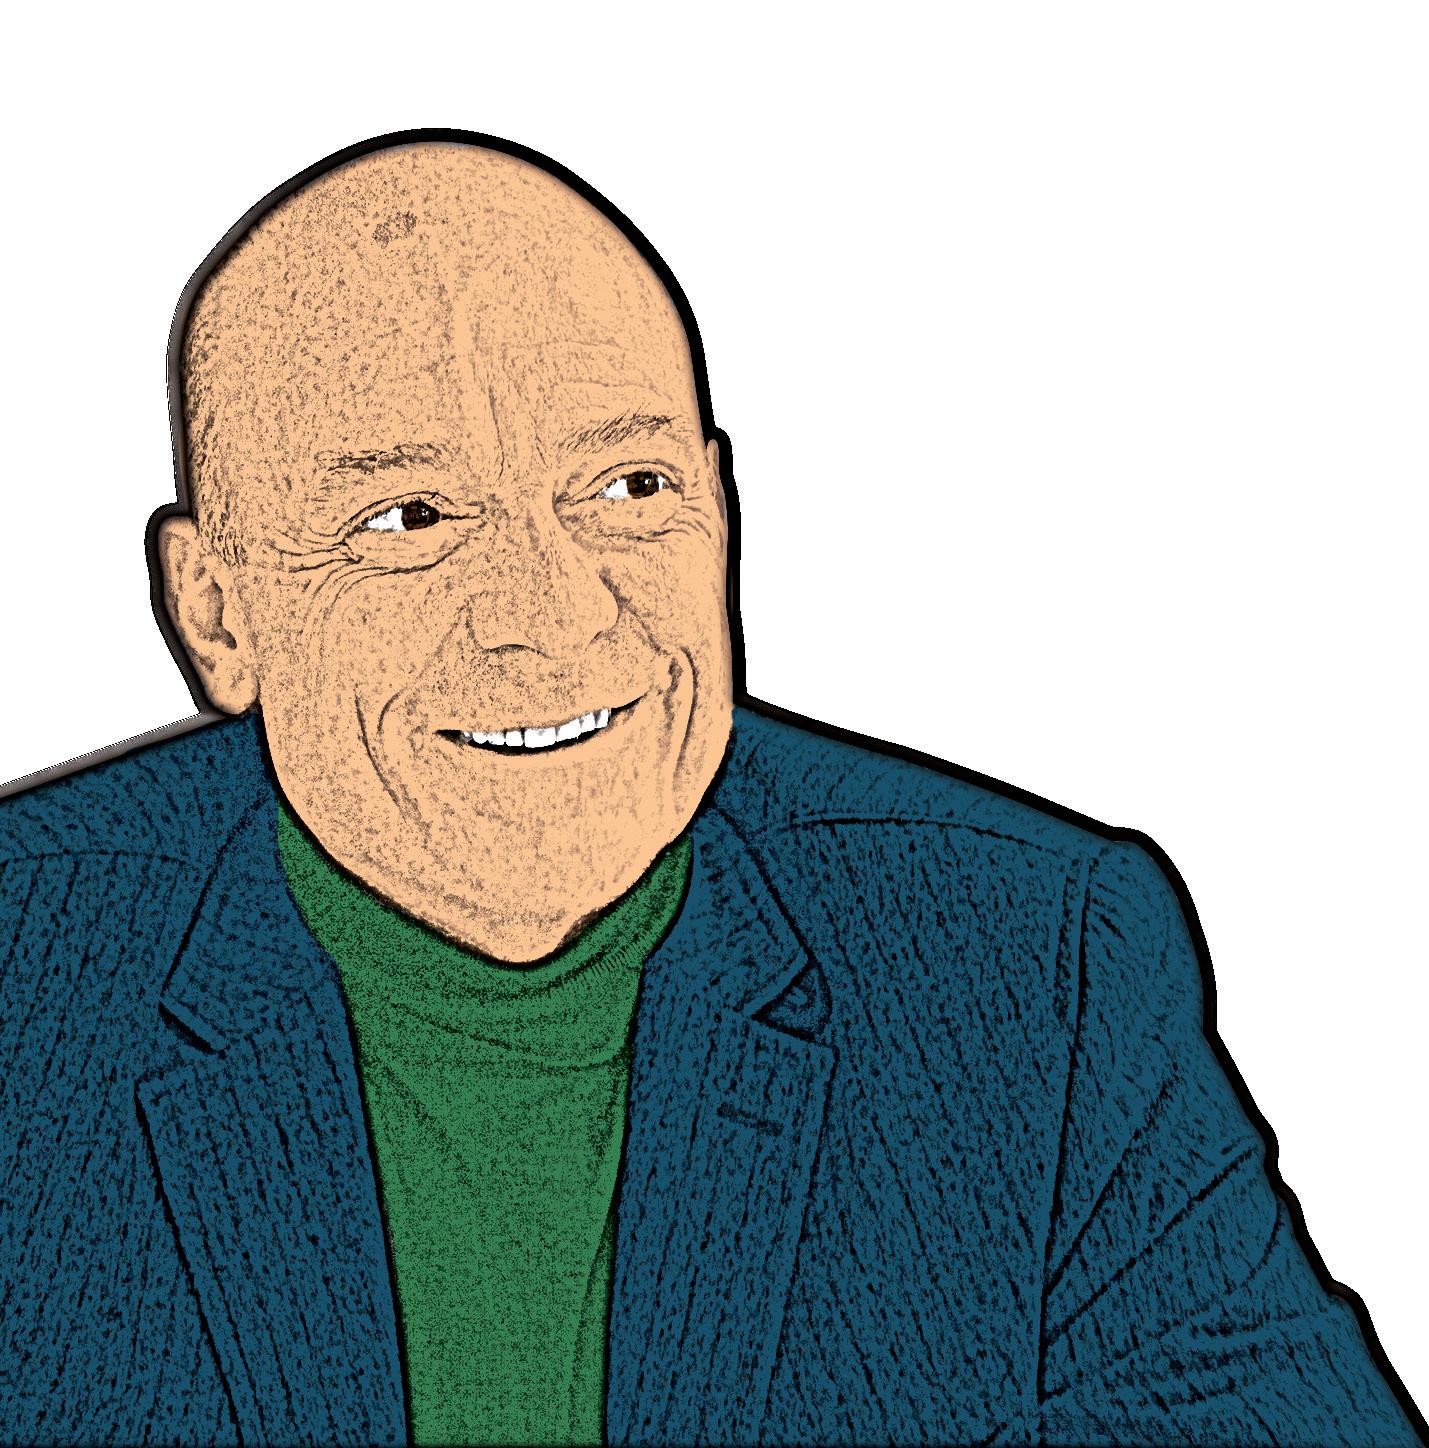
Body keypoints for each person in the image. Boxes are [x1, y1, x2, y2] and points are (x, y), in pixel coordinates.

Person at [0, 130, 1421, 1448]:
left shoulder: (1028, 969)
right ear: (216, 610)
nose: (553, 614)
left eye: (627, 489)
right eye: (411, 519)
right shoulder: (26, 980)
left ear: (719, 504)